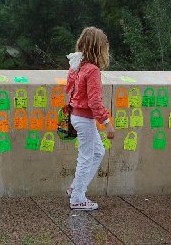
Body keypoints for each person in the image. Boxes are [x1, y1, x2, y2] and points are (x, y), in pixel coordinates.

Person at [65, 26, 115, 210]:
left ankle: (76, 188)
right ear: (98, 47)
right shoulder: (92, 70)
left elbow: (68, 90)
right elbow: (95, 101)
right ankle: (78, 198)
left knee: (97, 152)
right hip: (85, 119)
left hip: (76, 116)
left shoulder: (78, 66)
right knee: (86, 157)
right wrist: (107, 123)